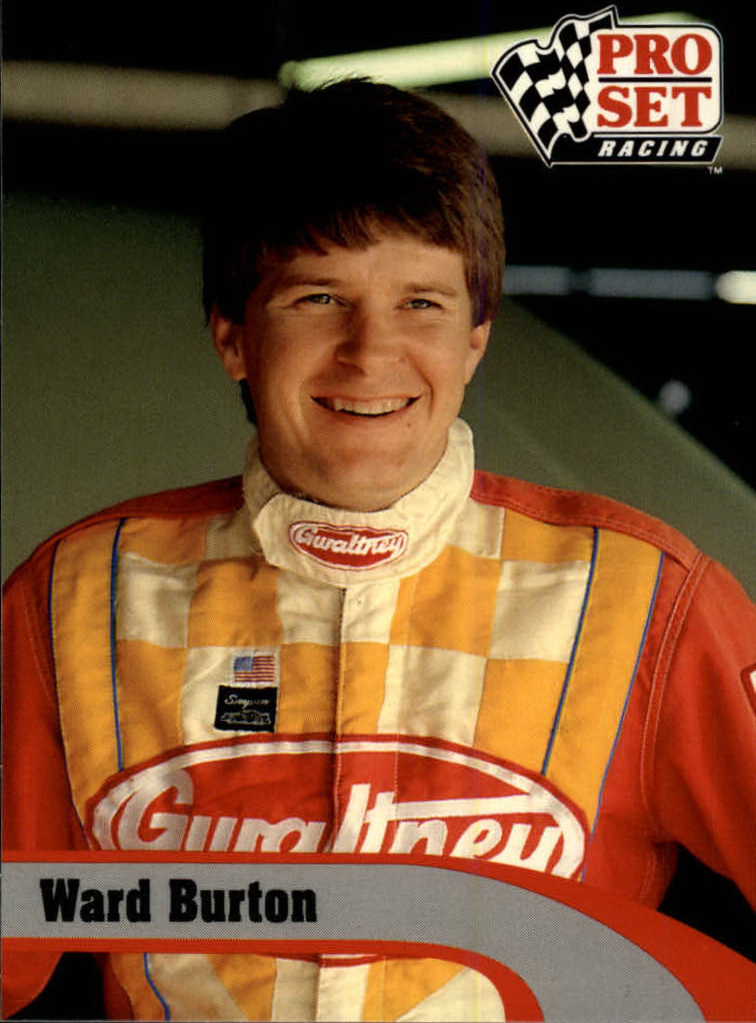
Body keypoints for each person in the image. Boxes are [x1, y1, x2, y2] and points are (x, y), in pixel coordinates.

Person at [3, 79, 754, 1021]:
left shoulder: (647, 601)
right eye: (319, 297)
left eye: (421, 303)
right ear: (233, 335)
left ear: (475, 339)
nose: (370, 352)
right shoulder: (75, 600)